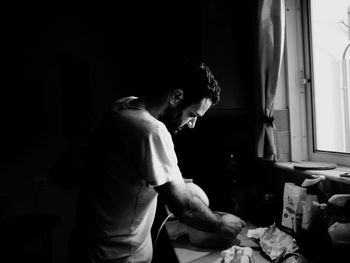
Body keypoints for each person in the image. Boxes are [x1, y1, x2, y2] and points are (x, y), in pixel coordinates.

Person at [69, 58, 245, 263]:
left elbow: (127, 171)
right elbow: (184, 207)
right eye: (192, 114)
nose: (192, 125)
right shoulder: (151, 130)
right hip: (117, 257)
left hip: (89, 246)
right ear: (177, 96)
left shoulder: (123, 106)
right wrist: (222, 225)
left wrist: (174, 181)